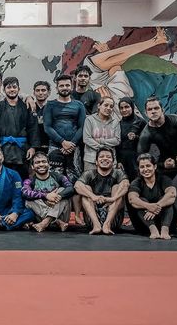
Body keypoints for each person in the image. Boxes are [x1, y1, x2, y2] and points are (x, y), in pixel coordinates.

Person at [44, 74, 85, 224]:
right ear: (57, 87)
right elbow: (47, 127)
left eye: (67, 85)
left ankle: (78, 215)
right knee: (54, 181)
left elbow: (82, 127)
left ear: (71, 86)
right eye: (61, 85)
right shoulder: (50, 105)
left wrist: (72, 143)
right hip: (55, 148)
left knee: (75, 181)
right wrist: (62, 142)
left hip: (74, 148)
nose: (64, 88)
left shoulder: (79, 105)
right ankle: (54, 216)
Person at [0, 76, 40, 179]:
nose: (12, 90)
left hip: (22, 149)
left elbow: (33, 128)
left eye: (14, 87)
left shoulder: (27, 106)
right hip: (3, 148)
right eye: (9, 87)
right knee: (3, 178)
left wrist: (33, 147)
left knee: (22, 178)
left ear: (19, 89)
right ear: (4, 90)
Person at [74, 147, 129, 235]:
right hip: (92, 217)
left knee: (117, 187)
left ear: (113, 161)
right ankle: (97, 225)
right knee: (86, 188)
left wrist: (113, 198)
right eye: (101, 156)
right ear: (96, 162)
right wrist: (93, 197)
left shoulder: (118, 173)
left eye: (108, 157)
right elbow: (77, 186)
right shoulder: (89, 173)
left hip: (113, 218)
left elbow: (126, 185)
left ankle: (107, 224)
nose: (105, 158)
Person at [128, 153, 177, 240]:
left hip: (168, 222)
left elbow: (172, 194)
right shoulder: (136, 182)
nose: (145, 169)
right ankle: (153, 230)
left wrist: (156, 207)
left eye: (148, 166)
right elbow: (132, 199)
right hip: (144, 225)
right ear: (139, 169)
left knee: (166, 199)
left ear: (154, 166)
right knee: (140, 200)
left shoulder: (164, 179)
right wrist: (148, 206)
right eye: (142, 167)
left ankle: (164, 230)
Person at [22, 151, 74, 232]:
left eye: (44, 161)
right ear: (32, 166)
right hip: (40, 217)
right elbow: (24, 193)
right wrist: (46, 196)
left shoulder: (58, 176)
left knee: (61, 190)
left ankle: (46, 222)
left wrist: (58, 196)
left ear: (49, 164)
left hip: (61, 215)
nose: (41, 164)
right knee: (28, 200)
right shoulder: (29, 181)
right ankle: (55, 221)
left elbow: (71, 188)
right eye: (37, 162)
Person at [137, 96, 177, 178]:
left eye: (156, 108)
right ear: (146, 113)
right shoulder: (146, 134)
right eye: (150, 109)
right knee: (156, 178)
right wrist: (163, 164)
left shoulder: (176, 120)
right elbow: (141, 158)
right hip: (168, 161)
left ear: (162, 110)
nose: (153, 111)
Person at [83, 96, 120, 171]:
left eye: (111, 106)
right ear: (99, 106)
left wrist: (101, 141)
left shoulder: (115, 122)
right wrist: (102, 148)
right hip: (91, 159)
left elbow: (117, 140)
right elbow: (87, 139)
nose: (108, 108)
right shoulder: (90, 120)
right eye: (106, 105)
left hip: (110, 160)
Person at [116, 97, 146, 181]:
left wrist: (135, 137)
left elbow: (147, 140)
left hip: (137, 158)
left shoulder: (141, 122)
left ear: (132, 107)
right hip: (123, 160)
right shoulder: (118, 124)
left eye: (127, 107)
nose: (124, 110)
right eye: (121, 108)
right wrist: (118, 161)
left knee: (138, 182)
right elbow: (117, 145)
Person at [31, 80, 51, 152]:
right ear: (34, 93)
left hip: (50, 146)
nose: (40, 93)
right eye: (37, 90)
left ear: (48, 93)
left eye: (43, 90)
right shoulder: (29, 108)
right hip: (33, 147)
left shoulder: (53, 107)